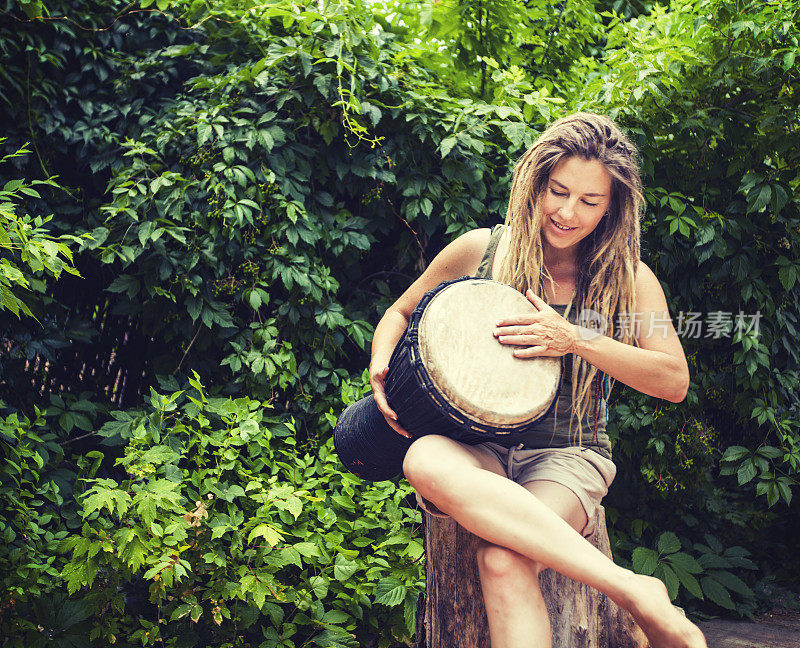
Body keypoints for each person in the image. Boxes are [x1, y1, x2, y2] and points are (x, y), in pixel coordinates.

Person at [367, 112, 707, 648]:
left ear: (612, 208)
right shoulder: (480, 250)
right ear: (536, 182)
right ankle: (634, 590)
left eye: (589, 202)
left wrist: (575, 338)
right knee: (421, 459)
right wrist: (381, 361)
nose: (567, 212)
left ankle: (636, 594)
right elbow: (401, 312)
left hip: (567, 454)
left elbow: (673, 379)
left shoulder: (630, 278)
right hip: (477, 445)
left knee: (503, 558)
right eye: (558, 191)